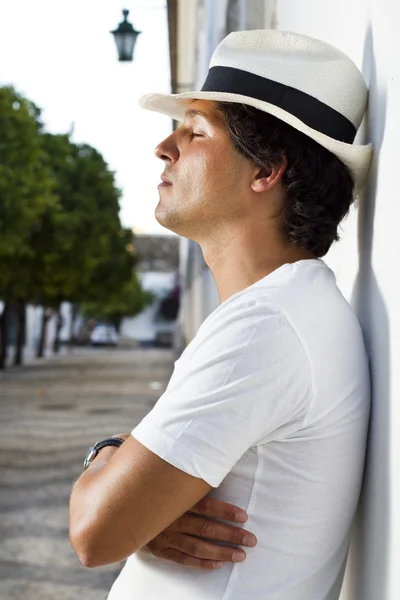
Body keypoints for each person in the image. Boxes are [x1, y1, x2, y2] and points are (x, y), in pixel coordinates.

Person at [69, 29, 372, 600]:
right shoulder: (290, 308)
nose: (165, 146)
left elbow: (94, 531)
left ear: (266, 171)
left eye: (196, 131)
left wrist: (107, 459)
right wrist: (142, 510)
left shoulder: (266, 327)